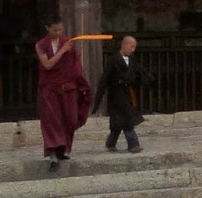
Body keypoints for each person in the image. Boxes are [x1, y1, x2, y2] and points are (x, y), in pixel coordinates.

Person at [35, 17, 91, 173]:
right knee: (51, 120)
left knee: (70, 118)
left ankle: (63, 149)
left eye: (60, 29)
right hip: (50, 88)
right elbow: (47, 65)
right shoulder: (41, 45)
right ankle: (53, 154)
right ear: (47, 28)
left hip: (68, 87)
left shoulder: (67, 42)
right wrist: (62, 51)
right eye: (55, 30)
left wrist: (81, 84)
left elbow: (74, 66)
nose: (58, 33)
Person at [93, 34, 148, 154]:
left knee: (119, 122)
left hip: (128, 94)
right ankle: (133, 144)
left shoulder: (132, 60)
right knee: (127, 120)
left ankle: (110, 142)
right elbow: (104, 79)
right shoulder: (113, 60)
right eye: (132, 47)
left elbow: (139, 74)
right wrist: (97, 100)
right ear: (124, 45)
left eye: (134, 47)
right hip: (116, 95)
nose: (133, 50)